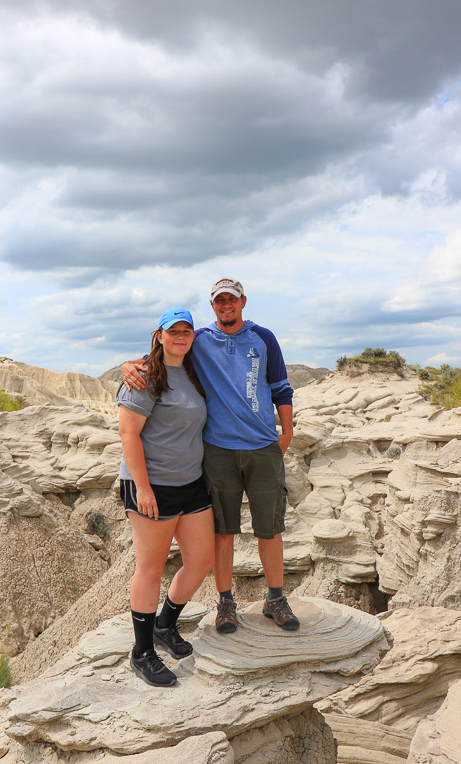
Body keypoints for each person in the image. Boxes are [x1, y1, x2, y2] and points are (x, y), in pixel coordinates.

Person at [122, 278, 300, 636]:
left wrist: (287, 431)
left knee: (271, 529)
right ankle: (226, 603)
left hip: (262, 446)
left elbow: (280, 386)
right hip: (217, 450)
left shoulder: (263, 338)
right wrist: (128, 364)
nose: (226, 305)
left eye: (231, 299)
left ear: (243, 302)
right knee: (224, 531)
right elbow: (162, 355)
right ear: (213, 304)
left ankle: (276, 598)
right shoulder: (201, 338)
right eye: (219, 300)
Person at [117, 307, 214, 688]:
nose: (180, 336)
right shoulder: (145, 376)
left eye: (186, 330)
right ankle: (141, 653)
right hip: (152, 485)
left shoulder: (192, 371)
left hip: (191, 483)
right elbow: (129, 434)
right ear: (159, 335)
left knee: (201, 560)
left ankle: (164, 625)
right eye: (172, 331)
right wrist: (142, 488)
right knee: (151, 568)